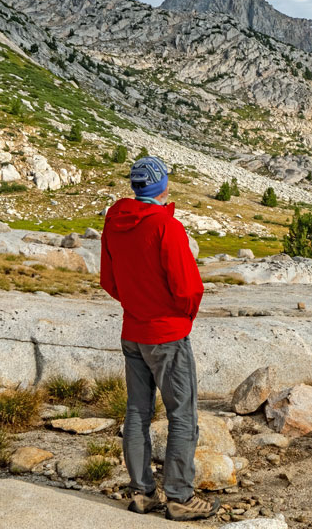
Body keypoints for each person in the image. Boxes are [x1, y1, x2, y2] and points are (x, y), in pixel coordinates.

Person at [100, 155, 219, 521]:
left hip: (132, 331)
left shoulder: (114, 222)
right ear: (162, 185)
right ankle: (180, 498)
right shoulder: (166, 227)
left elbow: (109, 281)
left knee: (137, 411)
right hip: (166, 333)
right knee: (182, 415)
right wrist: (181, 319)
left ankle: (141, 493)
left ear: (136, 186)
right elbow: (188, 288)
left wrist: (136, 304)